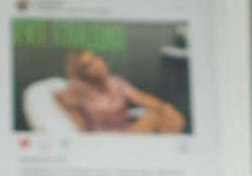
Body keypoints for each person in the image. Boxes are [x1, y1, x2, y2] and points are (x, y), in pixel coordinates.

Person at [54, 48, 186, 134]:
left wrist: (165, 108)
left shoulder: (115, 82)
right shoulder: (78, 88)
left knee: (170, 116)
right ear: (82, 73)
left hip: (126, 131)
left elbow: (140, 97)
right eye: (87, 65)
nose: (96, 65)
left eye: (95, 58)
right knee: (158, 117)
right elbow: (76, 120)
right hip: (106, 141)